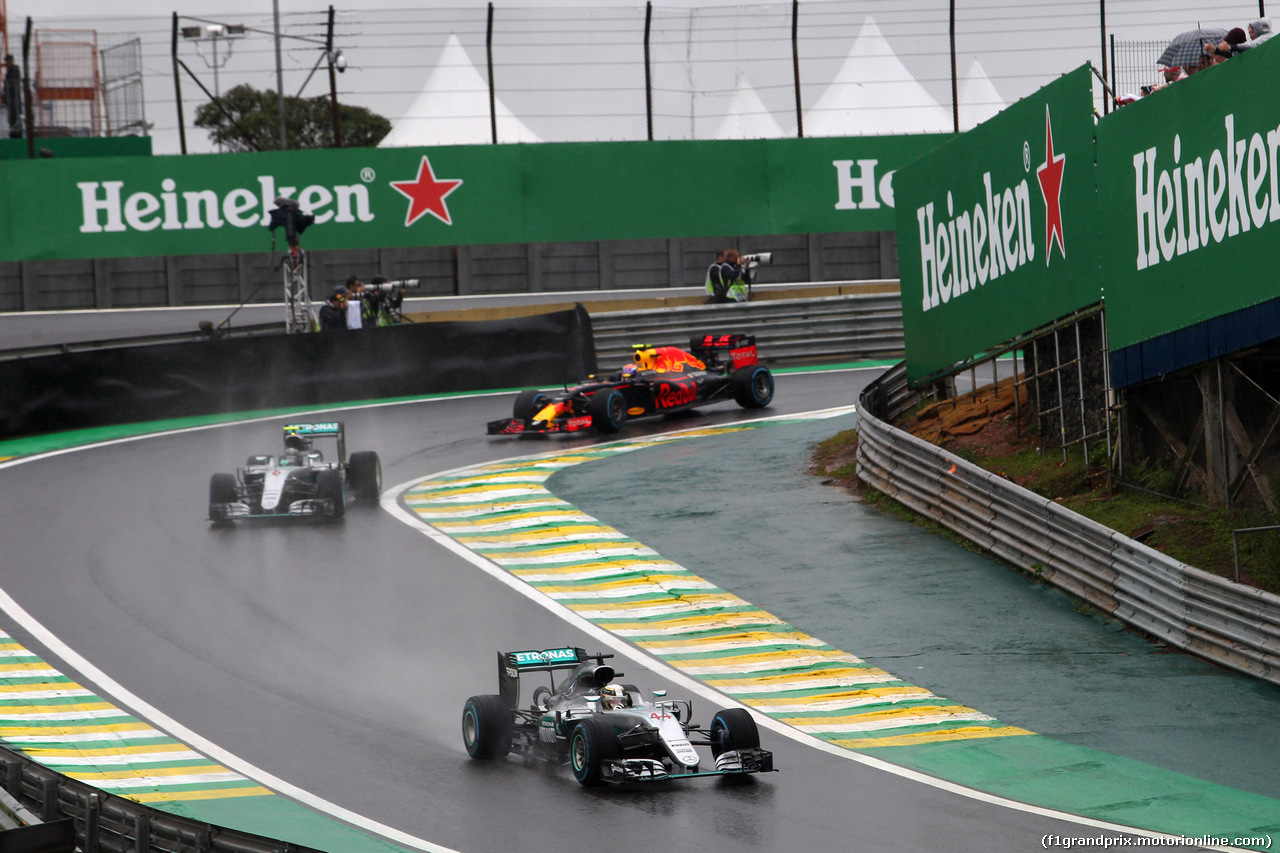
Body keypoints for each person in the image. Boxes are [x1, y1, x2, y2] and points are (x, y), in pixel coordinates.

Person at [2, 55, 22, 139]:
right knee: (12, 117)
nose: (7, 63)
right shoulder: (12, 70)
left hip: (14, 98)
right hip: (12, 98)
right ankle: (14, 132)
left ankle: (16, 133)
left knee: (14, 116)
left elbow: (12, 84)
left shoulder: (14, 70)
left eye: (8, 61)